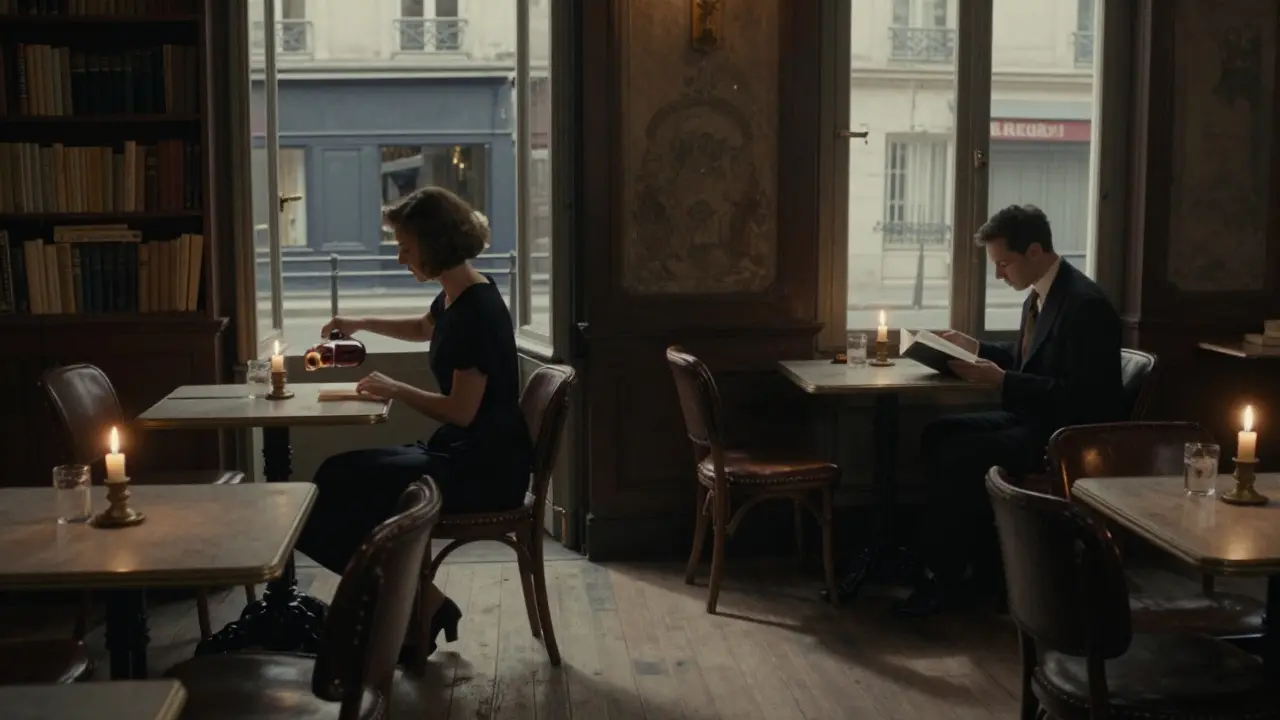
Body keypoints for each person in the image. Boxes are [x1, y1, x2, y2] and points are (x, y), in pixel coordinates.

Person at [295, 186, 534, 656]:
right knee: (332, 480)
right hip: (463, 453)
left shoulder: (475, 314)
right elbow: (424, 328)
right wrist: (360, 322)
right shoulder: (464, 292)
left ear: (434, 243)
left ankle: (410, 605)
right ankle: (420, 603)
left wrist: (396, 389)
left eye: (406, 247)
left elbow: (461, 411)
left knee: (333, 491)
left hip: (483, 471)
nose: (401, 258)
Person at [895, 204, 1123, 616]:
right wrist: (977, 348)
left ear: (1034, 251)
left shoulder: (1086, 304)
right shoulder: (1042, 293)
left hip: (1065, 436)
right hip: (1037, 420)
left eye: (1003, 263)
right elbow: (1031, 359)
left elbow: (1082, 399)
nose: (999, 275)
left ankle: (947, 577)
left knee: (960, 453)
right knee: (938, 434)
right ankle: (971, 566)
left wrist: (1001, 380)